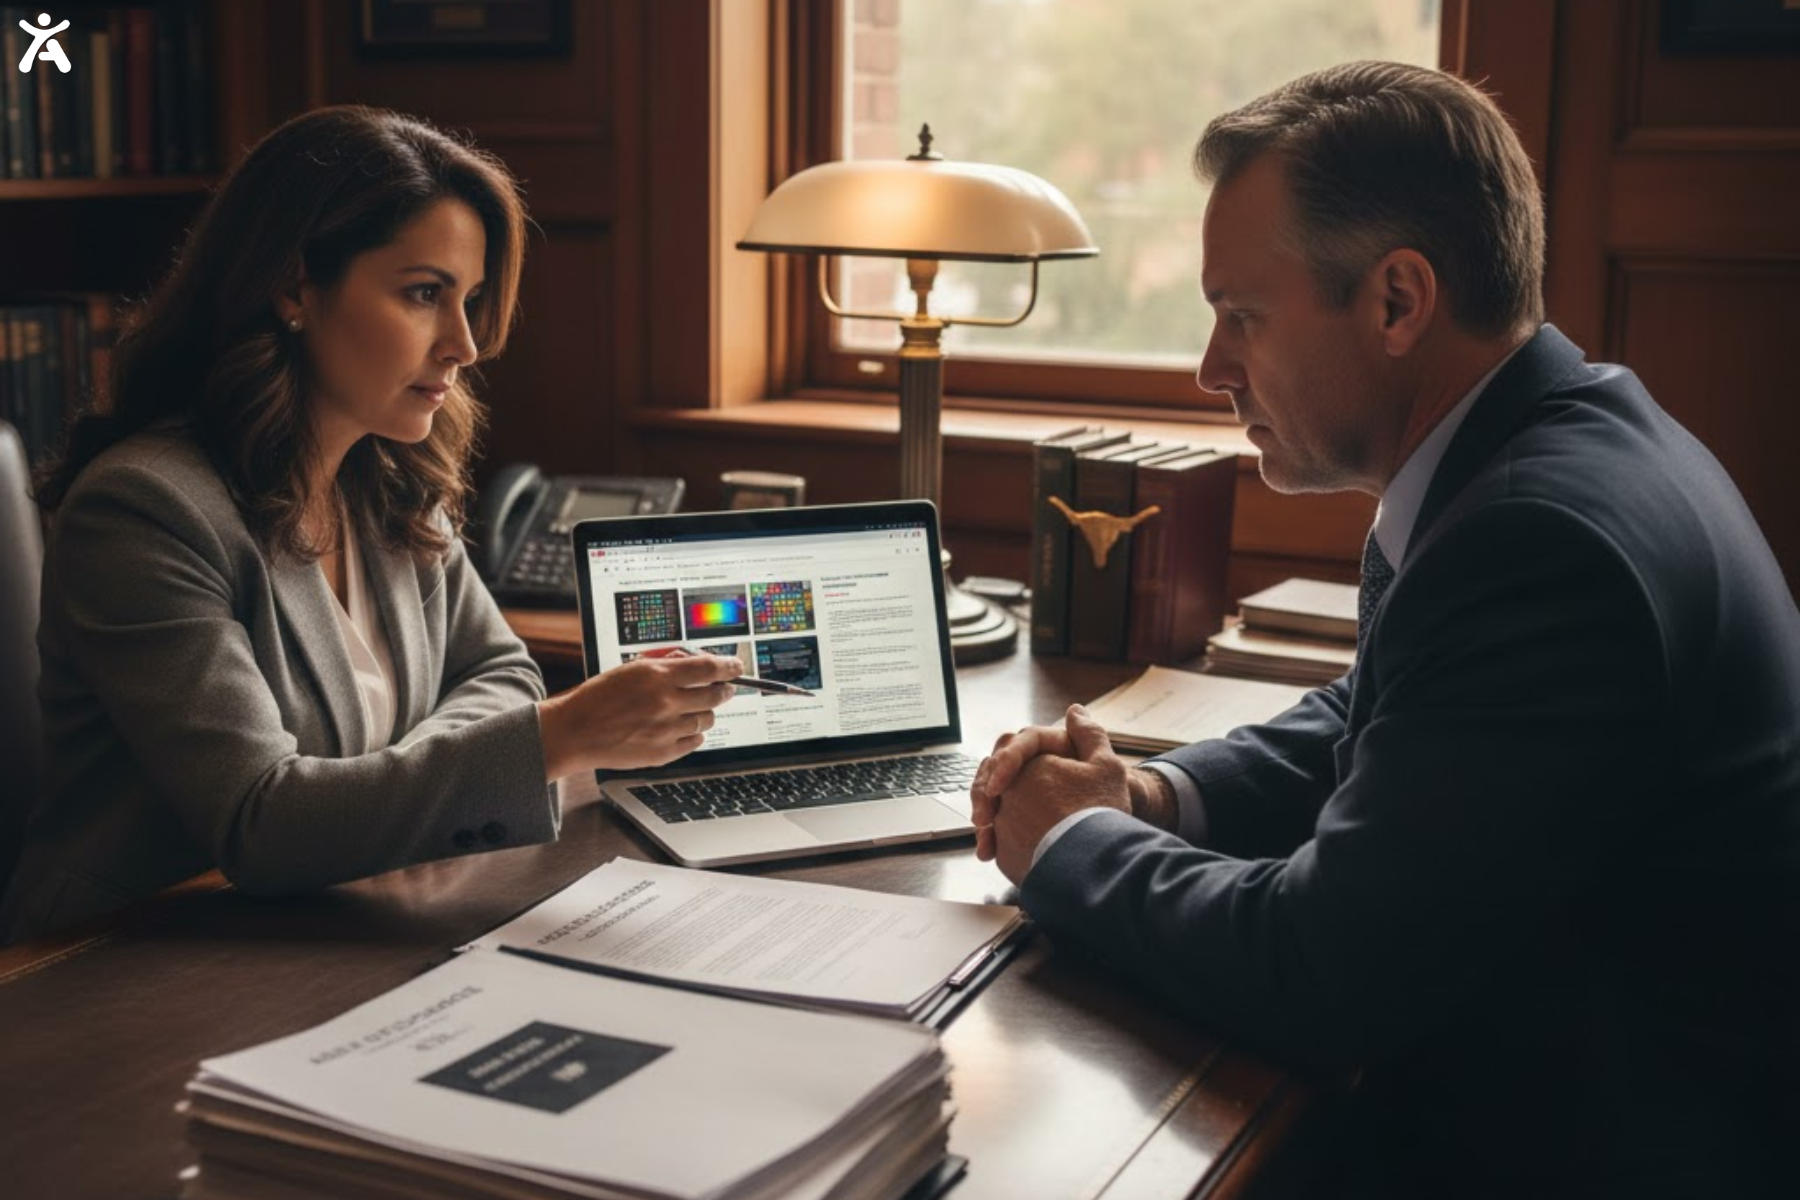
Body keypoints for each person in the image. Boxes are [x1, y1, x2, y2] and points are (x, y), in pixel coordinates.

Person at [972, 62, 1800, 1198]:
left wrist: (1068, 842)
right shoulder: (1564, 439)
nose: (1212, 369)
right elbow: (1390, 713)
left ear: (1399, 301)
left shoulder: (1536, 539)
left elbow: (1320, 976)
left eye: (1242, 317)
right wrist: (1155, 797)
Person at [0, 106, 741, 942]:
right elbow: (261, 822)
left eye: (470, 299)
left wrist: (393, 789)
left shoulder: (391, 480)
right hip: (123, 962)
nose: (464, 344)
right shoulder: (144, 509)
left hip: (339, 920)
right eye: (424, 294)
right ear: (293, 288)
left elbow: (500, 671)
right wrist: (554, 740)